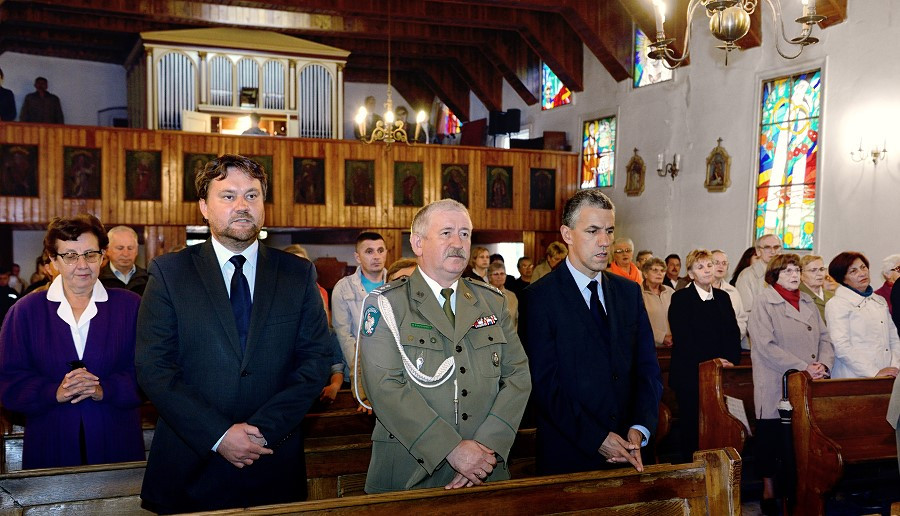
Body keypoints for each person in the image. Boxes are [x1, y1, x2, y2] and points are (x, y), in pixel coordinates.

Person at [135, 154, 331, 513]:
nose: (242, 205)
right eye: (228, 196)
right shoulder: (169, 273)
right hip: (191, 465)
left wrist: (261, 431)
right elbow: (154, 367)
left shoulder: (297, 274)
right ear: (204, 207)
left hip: (272, 461)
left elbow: (315, 362)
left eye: (252, 195)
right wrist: (219, 434)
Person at [357, 199, 531, 492]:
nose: (458, 243)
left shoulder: (492, 301)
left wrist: (486, 446)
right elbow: (385, 388)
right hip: (410, 470)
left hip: (486, 467)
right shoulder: (387, 304)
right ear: (418, 243)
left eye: (465, 234)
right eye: (446, 233)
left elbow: (518, 375)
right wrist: (452, 449)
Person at [521, 188, 661, 475]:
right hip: (570, 455)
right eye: (593, 231)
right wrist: (597, 438)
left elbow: (647, 367)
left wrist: (640, 427)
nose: (605, 242)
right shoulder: (540, 298)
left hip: (629, 450)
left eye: (609, 231)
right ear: (567, 234)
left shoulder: (628, 292)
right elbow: (544, 385)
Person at [0, 214, 144, 469]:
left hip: (116, 438)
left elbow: (150, 372)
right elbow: (8, 381)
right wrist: (52, 392)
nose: (82, 265)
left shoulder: (131, 307)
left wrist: (104, 389)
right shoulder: (25, 311)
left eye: (90, 254)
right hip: (50, 440)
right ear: (53, 260)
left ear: (103, 256)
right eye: (70, 255)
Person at [748, 254, 834, 515]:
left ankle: (802, 492)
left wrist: (823, 364)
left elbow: (825, 338)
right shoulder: (764, 301)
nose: (794, 275)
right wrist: (803, 366)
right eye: (787, 271)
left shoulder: (807, 300)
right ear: (774, 276)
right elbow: (765, 345)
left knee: (802, 442)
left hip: (808, 382)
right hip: (777, 381)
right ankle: (769, 491)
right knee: (772, 439)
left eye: (796, 270)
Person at [668, 249, 741, 462]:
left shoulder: (723, 297)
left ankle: (717, 467)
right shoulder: (681, 298)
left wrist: (730, 360)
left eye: (709, 265)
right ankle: (691, 468)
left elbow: (733, 333)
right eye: (700, 267)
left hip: (721, 373)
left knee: (718, 424)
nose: (707, 270)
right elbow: (684, 338)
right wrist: (712, 362)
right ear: (691, 274)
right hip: (691, 375)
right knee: (693, 427)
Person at [332, 232, 387, 414]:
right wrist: (361, 374)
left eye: (380, 250)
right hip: (357, 371)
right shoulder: (343, 288)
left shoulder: (397, 284)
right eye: (369, 251)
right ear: (357, 257)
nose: (376, 256)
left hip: (392, 371)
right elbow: (344, 335)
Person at [824, 252, 900, 379]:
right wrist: (874, 372)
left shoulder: (879, 301)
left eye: (863, 267)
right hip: (854, 377)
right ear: (842, 278)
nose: (862, 273)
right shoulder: (837, 304)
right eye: (853, 271)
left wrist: (895, 366)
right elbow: (841, 346)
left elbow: (893, 338)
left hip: (887, 375)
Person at [735, 235, 782, 337]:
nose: (773, 251)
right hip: (758, 336)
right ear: (758, 251)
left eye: (776, 247)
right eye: (767, 247)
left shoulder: (786, 274)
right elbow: (747, 313)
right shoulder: (747, 276)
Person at [283, 244, 331, 324]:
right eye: (293, 264)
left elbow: (324, 326)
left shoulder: (320, 292)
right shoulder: (273, 292)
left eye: (302, 264)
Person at [711, 250, 749, 347]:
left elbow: (741, 319)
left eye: (724, 263)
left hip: (729, 345)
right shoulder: (697, 289)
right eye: (717, 263)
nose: (721, 266)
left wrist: (734, 337)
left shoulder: (733, 291)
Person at [98, 226, 149, 296]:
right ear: (107, 250)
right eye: (120, 248)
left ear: (137, 251)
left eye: (130, 248)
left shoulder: (149, 279)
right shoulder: (98, 279)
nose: (125, 254)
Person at [640, 257, 674, 347]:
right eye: (655, 270)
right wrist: (661, 337)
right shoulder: (638, 293)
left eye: (662, 271)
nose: (659, 273)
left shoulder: (670, 292)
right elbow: (638, 323)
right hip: (649, 345)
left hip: (672, 345)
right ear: (645, 274)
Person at [799, 254, 833, 323]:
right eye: (813, 270)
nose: (819, 274)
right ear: (801, 274)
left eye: (822, 269)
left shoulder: (832, 296)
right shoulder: (797, 297)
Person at [487, 261, 518, 331]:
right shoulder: (483, 295)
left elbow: (516, 320)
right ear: (489, 277)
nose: (499, 277)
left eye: (502, 274)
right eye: (496, 274)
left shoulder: (512, 296)